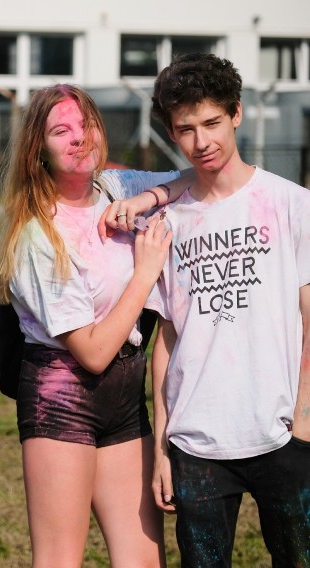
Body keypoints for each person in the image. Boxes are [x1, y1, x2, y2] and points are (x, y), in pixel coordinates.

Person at [0, 84, 185, 567]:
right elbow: (93, 352)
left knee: (143, 560)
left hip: (124, 393)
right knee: (60, 559)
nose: (79, 138)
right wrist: (144, 273)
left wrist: (150, 198)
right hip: (62, 396)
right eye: (62, 130)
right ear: (39, 150)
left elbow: (194, 177)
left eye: (86, 125)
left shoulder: (115, 188)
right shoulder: (37, 232)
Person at [143, 53, 310, 567]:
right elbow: (166, 340)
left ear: (236, 113)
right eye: (185, 129)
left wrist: (303, 422)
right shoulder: (167, 222)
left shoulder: (291, 203)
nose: (202, 142)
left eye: (212, 122)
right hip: (197, 442)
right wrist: (162, 448)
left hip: (282, 432)